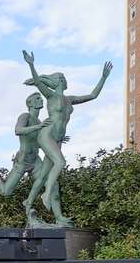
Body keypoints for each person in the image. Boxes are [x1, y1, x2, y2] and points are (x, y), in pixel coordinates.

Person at [22, 50, 112, 227]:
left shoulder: (69, 100)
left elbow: (93, 95)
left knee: (43, 175)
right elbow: (39, 82)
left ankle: (29, 202)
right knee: (60, 163)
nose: (67, 80)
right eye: (64, 78)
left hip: (57, 139)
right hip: (46, 135)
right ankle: (47, 193)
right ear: (60, 82)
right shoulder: (50, 95)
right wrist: (31, 64)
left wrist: (104, 78)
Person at [0, 93, 49, 199]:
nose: (41, 100)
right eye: (38, 98)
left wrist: (56, 142)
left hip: (35, 160)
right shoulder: (25, 116)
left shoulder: (39, 122)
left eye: (41, 98)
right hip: (23, 160)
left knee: (49, 184)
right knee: (6, 192)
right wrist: (38, 127)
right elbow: (18, 130)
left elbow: (38, 144)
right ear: (30, 103)